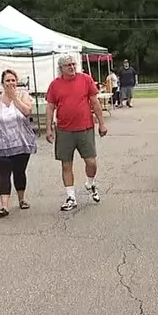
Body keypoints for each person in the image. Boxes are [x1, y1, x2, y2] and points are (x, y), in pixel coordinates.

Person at [46, 54, 108, 212]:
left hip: (85, 127)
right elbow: (50, 106)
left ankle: (90, 183)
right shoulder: (55, 85)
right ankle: (71, 196)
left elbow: (95, 102)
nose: (72, 67)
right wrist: (48, 128)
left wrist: (101, 123)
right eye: (68, 65)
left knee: (91, 162)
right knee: (66, 164)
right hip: (65, 130)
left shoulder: (85, 79)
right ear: (61, 69)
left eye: (73, 64)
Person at [0, 70, 38, 217]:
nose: (11, 83)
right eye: (8, 81)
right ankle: (4, 206)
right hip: (0, 141)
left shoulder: (23, 95)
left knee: (19, 172)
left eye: (13, 80)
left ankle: (21, 199)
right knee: (3, 173)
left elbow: (27, 111)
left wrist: (15, 98)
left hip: (21, 141)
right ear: (2, 83)